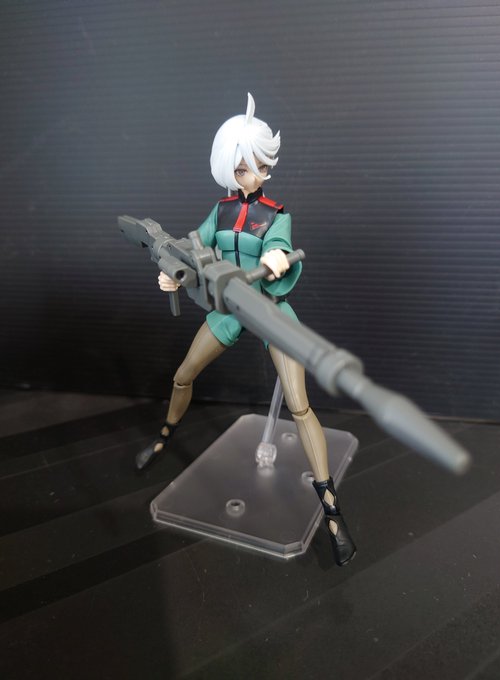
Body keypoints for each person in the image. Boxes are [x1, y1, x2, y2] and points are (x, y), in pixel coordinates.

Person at [136, 94, 356, 566]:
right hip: (229, 309)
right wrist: (172, 272)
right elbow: (190, 249)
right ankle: (165, 435)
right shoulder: (218, 212)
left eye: (259, 166)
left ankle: (332, 513)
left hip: (270, 309)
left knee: (299, 405)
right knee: (183, 374)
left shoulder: (277, 214)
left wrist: (277, 258)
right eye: (243, 167)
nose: (254, 175)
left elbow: (280, 245)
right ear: (228, 168)